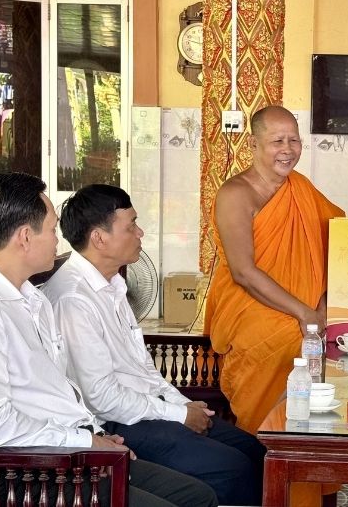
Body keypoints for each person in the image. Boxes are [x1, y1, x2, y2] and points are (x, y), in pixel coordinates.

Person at [0, 173, 217, 507]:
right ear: (24, 237)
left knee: (196, 496)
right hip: (24, 473)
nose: (57, 241)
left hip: (68, 455)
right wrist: (84, 442)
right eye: (51, 230)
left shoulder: (31, 299)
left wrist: (97, 438)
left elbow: (57, 395)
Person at [43, 184, 266, 506]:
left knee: (256, 451)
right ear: (99, 238)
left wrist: (184, 405)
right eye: (130, 225)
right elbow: (102, 398)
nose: (140, 232)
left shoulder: (112, 284)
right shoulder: (73, 300)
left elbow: (143, 369)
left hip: (147, 408)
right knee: (232, 468)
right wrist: (176, 414)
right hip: (115, 422)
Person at [204, 105, 344, 435]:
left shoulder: (301, 190)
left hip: (308, 310)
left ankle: (311, 470)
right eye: (277, 140)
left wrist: (321, 306)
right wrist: (304, 314)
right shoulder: (235, 194)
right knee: (289, 341)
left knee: (336, 345)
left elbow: (334, 248)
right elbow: (243, 272)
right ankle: (269, 467)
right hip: (255, 310)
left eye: (293, 140)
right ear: (253, 144)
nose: (287, 150)